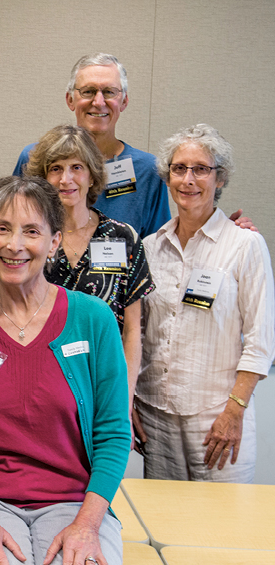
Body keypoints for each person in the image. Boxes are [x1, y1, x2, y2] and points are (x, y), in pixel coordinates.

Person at [0, 176, 130, 565]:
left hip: (76, 503)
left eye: (32, 231)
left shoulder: (93, 319)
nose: (14, 245)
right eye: (2, 229)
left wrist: (88, 525)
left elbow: (114, 434)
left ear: (54, 241)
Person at [135, 124, 275, 482]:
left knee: (219, 531)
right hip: (156, 416)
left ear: (221, 178)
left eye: (201, 169)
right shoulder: (151, 248)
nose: (188, 179)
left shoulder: (244, 246)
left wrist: (234, 412)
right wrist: (130, 400)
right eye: (179, 169)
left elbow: (262, 341)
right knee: (166, 528)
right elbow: (138, 333)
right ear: (167, 177)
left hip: (216, 419)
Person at [25, 124, 155, 408]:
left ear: (92, 175)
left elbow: (133, 331)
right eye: (55, 168)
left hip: (104, 389)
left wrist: (125, 399)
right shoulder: (30, 239)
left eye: (77, 167)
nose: (66, 178)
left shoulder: (123, 238)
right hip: (39, 389)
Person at [13, 53, 171, 239]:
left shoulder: (147, 170)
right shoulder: (34, 158)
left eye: (109, 92)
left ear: (124, 101)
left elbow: (156, 249)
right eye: (88, 91)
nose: (98, 102)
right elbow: (13, 227)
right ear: (70, 100)